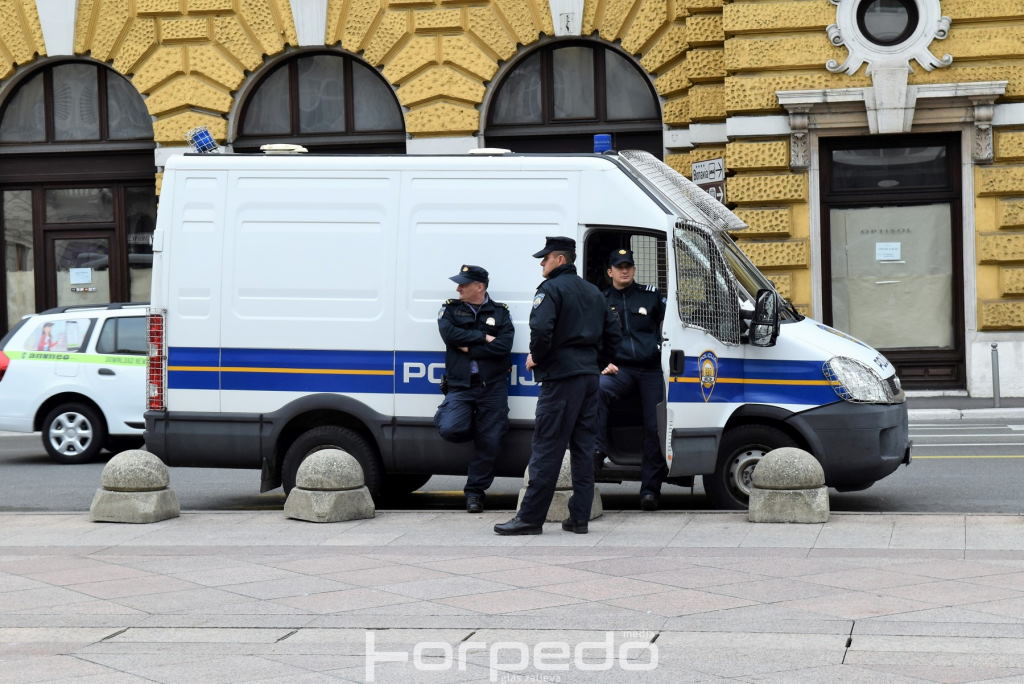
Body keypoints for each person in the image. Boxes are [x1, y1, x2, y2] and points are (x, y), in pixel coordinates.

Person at [494, 237, 620, 536]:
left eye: (545, 258)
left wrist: (538, 357)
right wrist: (593, 361)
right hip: (590, 378)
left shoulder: (550, 289)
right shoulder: (593, 291)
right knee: (583, 448)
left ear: (560, 260)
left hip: (561, 380)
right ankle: (579, 519)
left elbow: (541, 330)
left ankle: (529, 519)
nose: (541, 263)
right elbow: (613, 334)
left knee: (547, 448)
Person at [435, 264, 514, 513]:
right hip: (461, 385)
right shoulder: (451, 309)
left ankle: (475, 493)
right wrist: (482, 337)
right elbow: (449, 335)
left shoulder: (500, 313)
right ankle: (449, 414)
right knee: (450, 427)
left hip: (492, 386)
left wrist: (469, 346)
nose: (458, 288)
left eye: (463, 284)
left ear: (479, 287)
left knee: (490, 441)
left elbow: (503, 346)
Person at [596, 248, 668, 511]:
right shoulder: (601, 300)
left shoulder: (650, 297)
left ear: (634, 269)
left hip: (650, 370)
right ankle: (597, 451)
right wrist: (603, 364)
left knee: (654, 427)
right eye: (619, 266)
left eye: (628, 266)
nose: (624, 270)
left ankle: (650, 490)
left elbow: (670, 328)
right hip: (620, 369)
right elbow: (593, 337)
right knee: (598, 389)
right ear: (610, 272)